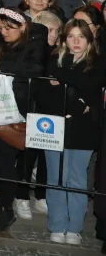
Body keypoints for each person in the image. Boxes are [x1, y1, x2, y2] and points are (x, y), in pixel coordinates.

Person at [0, 8, 48, 231]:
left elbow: (36, 68)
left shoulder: (35, 43)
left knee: (8, 159)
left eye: (9, 28)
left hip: (19, 110)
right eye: (1, 28)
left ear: (22, 27)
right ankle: (3, 199)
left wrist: (2, 67)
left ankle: (5, 207)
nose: (4, 32)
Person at [38, 19, 103, 245]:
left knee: (77, 178)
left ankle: (74, 227)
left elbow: (92, 88)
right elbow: (47, 94)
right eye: (71, 36)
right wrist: (78, 103)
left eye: (81, 36)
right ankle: (57, 224)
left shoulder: (97, 62)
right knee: (56, 177)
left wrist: (64, 82)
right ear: (64, 38)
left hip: (84, 129)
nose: (76, 41)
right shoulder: (55, 59)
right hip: (55, 125)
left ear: (89, 39)